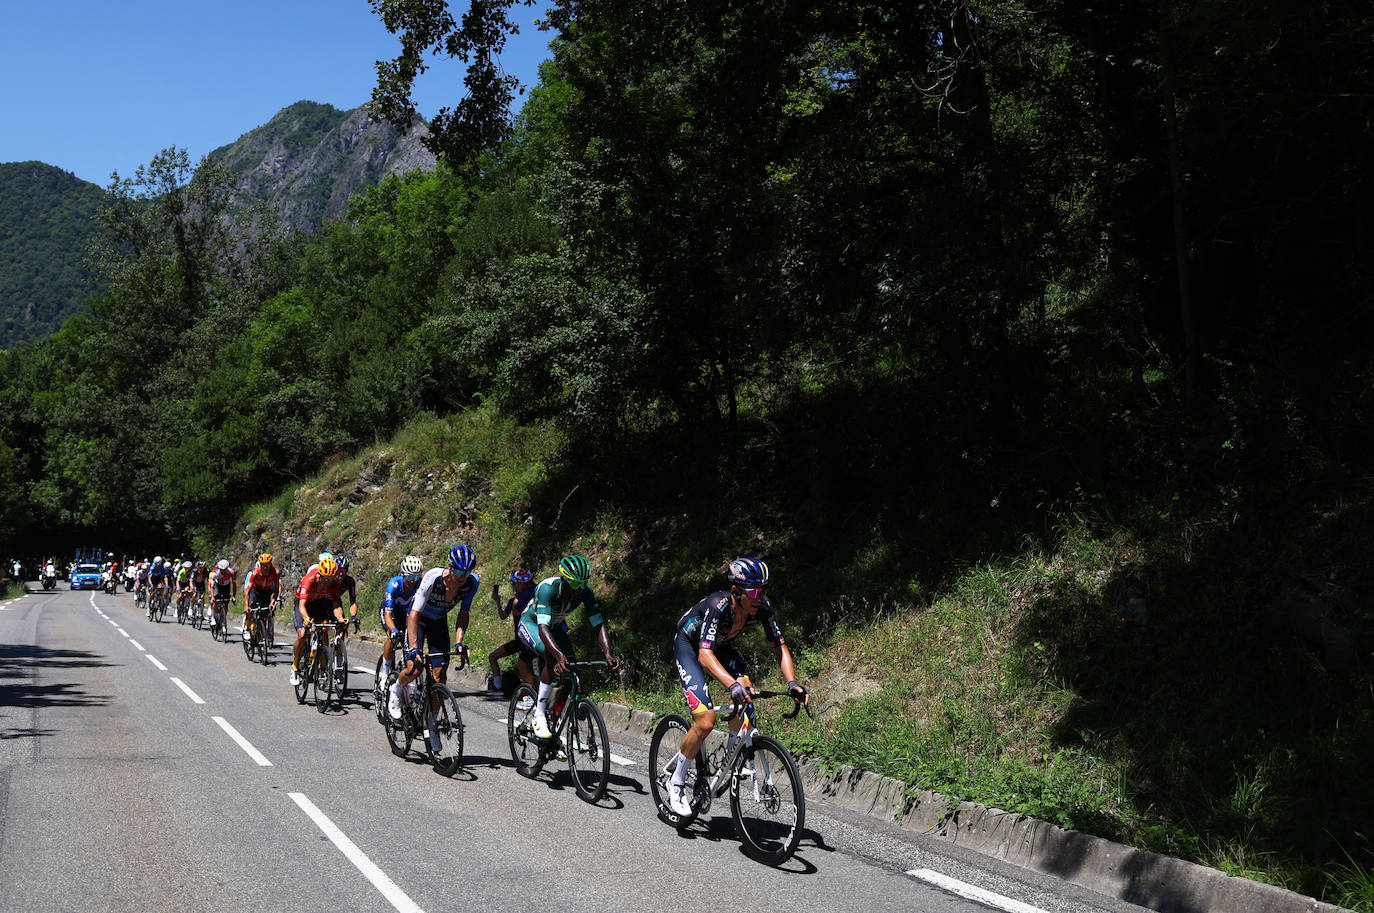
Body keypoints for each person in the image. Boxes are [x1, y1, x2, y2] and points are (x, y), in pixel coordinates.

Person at [664, 557, 809, 817]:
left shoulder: (762, 607)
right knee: (706, 721)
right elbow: (704, 656)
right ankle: (675, 783)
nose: (759, 597)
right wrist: (730, 684)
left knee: (747, 698)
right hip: (690, 646)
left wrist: (793, 683)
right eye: (753, 591)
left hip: (720, 647)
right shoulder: (718, 606)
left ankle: (731, 759)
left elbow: (780, 647)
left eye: (763, 590)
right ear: (735, 591)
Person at [516, 555, 620, 740]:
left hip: (554, 628)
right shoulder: (548, 589)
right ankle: (539, 715)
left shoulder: (585, 592)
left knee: (571, 669)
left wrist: (608, 653)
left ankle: (554, 721)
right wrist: (557, 655)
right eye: (575, 584)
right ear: (565, 580)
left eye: (583, 583)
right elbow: (543, 628)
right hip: (532, 624)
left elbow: (598, 624)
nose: (580, 589)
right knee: (551, 657)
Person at [388, 546, 479, 721]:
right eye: (459, 571)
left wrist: (459, 642)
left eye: (467, 572)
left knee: (440, 677)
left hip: (438, 622)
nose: (462, 577)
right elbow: (414, 613)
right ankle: (397, 689)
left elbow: (463, 613)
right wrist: (414, 648)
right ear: (450, 566)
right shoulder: (433, 577)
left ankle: (431, 720)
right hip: (418, 620)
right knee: (414, 669)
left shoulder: (471, 583)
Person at [290, 556, 347, 686]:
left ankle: (322, 666)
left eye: (330, 579)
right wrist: (306, 618)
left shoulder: (332, 584)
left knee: (324, 627)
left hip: (318, 603)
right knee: (302, 634)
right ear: (319, 575)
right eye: (325, 579)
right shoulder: (308, 580)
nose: (327, 582)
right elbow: (302, 605)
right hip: (303, 604)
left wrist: (340, 619)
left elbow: (335, 605)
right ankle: (294, 666)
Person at [485, 567, 538, 700]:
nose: (513, 585)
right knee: (493, 657)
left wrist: (516, 601)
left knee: (526, 664)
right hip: (519, 639)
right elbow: (503, 615)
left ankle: (529, 697)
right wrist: (497, 601)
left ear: (524, 583)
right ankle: (498, 688)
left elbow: (516, 611)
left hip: (530, 639)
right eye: (512, 583)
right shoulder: (514, 599)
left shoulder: (530, 594)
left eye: (515, 583)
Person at [379, 556, 424, 685]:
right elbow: (388, 613)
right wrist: (393, 629)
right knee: (392, 637)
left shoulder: (420, 584)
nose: (412, 581)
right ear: (402, 575)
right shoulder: (394, 584)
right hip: (391, 612)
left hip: (407, 614)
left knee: (409, 641)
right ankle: (385, 671)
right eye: (409, 577)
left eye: (416, 577)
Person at [243, 553, 280, 642]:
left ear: (270, 564)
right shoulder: (255, 573)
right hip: (255, 590)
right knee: (251, 609)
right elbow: (247, 590)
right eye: (263, 565)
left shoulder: (275, 573)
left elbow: (276, 588)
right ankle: (247, 628)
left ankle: (261, 638)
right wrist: (246, 605)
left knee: (264, 616)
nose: (265, 567)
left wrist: (273, 601)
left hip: (266, 591)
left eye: (267, 565)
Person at [209, 559, 237, 635]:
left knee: (225, 604)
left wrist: (234, 596)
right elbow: (212, 586)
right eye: (222, 570)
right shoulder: (215, 574)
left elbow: (234, 584)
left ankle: (223, 621)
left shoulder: (231, 572)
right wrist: (212, 597)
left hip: (226, 587)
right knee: (216, 602)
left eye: (225, 570)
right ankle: (213, 618)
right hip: (218, 586)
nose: (223, 571)